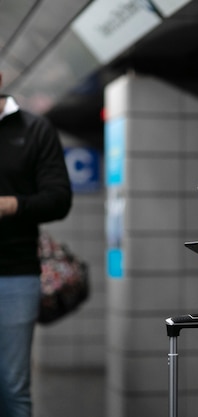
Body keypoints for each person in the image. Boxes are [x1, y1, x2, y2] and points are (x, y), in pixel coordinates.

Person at [0, 73, 72, 417]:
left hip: (14, 274)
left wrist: (10, 205)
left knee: (12, 386)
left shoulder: (34, 129)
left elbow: (59, 199)